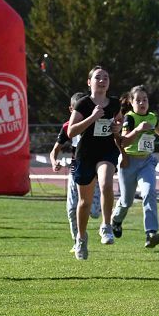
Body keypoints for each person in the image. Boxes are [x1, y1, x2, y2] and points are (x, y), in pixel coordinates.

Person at [67, 66, 124, 260]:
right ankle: (81, 238)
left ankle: (106, 226)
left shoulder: (115, 103)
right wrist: (92, 117)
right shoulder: (83, 104)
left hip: (107, 151)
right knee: (84, 202)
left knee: (106, 183)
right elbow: (71, 131)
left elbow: (119, 124)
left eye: (106, 77)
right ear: (89, 82)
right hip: (85, 155)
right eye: (98, 77)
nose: (102, 80)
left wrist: (117, 127)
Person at [110, 85, 159, 248]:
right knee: (126, 201)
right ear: (132, 103)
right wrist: (138, 130)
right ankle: (116, 220)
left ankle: (151, 233)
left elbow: (157, 127)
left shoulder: (152, 117)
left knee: (149, 192)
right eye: (138, 100)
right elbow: (123, 142)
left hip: (146, 162)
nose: (142, 103)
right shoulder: (129, 118)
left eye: (145, 100)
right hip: (128, 162)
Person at [50, 92, 102, 252]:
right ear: (71, 110)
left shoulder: (96, 123)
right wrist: (54, 161)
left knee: (94, 213)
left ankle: (105, 214)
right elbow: (55, 150)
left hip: (94, 171)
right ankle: (78, 239)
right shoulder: (67, 127)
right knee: (72, 209)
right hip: (75, 171)